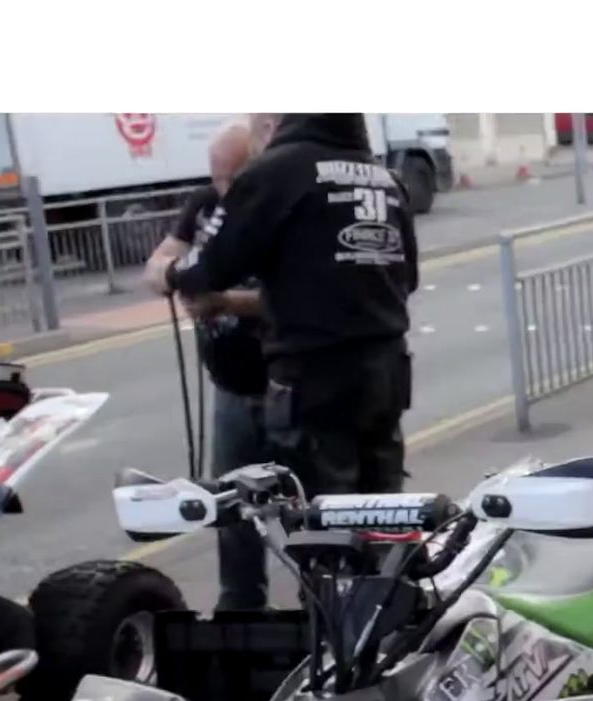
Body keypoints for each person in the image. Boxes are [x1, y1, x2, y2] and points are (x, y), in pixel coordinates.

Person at [163, 113, 418, 498]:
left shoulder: (277, 172)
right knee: (385, 514)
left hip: (314, 380)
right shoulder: (383, 178)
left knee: (321, 525)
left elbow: (210, 267)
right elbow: (407, 278)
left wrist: (172, 275)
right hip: (385, 376)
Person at [142, 119, 272, 611]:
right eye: (216, 178)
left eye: (231, 178)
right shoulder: (204, 207)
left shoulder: (274, 205)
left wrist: (225, 302)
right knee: (232, 507)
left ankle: (320, 612)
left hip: (285, 383)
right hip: (232, 386)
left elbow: (298, 299)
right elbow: (159, 264)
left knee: (304, 510)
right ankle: (239, 611)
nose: (223, 190)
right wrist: (172, 277)